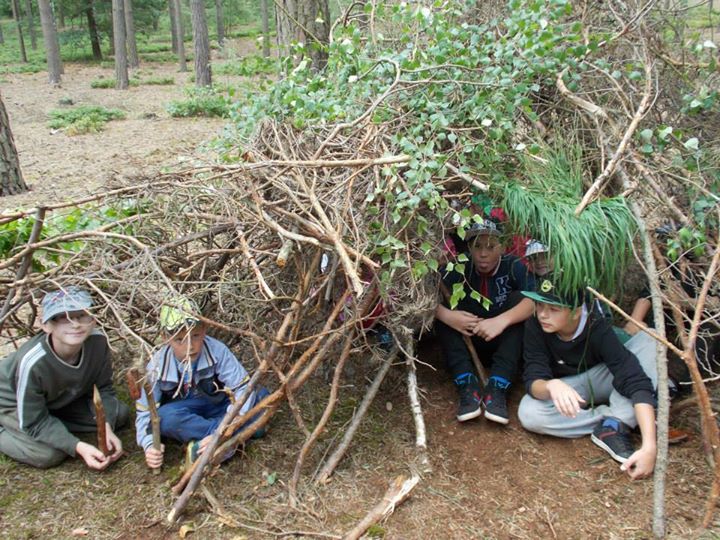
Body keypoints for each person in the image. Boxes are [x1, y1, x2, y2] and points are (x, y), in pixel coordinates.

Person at [518, 275, 658, 480]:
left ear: (576, 311)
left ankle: (617, 421)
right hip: (570, 388)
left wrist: (649, 447)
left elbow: (632, 377)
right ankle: (609, 422)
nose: (543, 315)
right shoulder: (535, 325)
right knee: (530, 414)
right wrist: (551, 385)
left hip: (604, 376)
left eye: (554, 309)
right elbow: (533, 377)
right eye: (539, 306)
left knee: (650, 339)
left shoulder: (596, 325)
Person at [0, 287, 128, 469]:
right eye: (62, 317)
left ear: (92, 319)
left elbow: (104, 389)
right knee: (48, 454)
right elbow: (33, 420)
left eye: (81, 315)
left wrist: (105, 426)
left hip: (57, 400)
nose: (75, 324)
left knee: (118, 414)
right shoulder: (33, 362)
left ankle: (55, 426)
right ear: (46, 325)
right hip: (12, 403)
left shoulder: (98, 343)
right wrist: (78, 447)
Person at [136, 297, 268, 470]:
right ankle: (233, 439)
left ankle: (209, 441)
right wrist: (149, 444)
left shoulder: (217, 351)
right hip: (186, 412)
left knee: (262, 398)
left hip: (222, 406)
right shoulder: (156, 366)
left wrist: (226, 426)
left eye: (195, 336)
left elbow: (243, 388)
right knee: (164, 418)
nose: (189, 346)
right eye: (180, 339)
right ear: (165, 337)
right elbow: (145, 412)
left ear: (204, 330)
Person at [435, 217, 536, 424]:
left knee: (519, 301)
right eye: (477, 246)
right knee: (443, 312)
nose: (483, 253)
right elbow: (425, 298)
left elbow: (535, 301)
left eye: (491, 246)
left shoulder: (513, 266)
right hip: (468, 340)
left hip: (503, 342)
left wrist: (501, 321)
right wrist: (450, 317)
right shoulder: (459, 267)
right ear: (469, 247)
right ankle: (467, 385)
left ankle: (497, 388)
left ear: (501, 247)